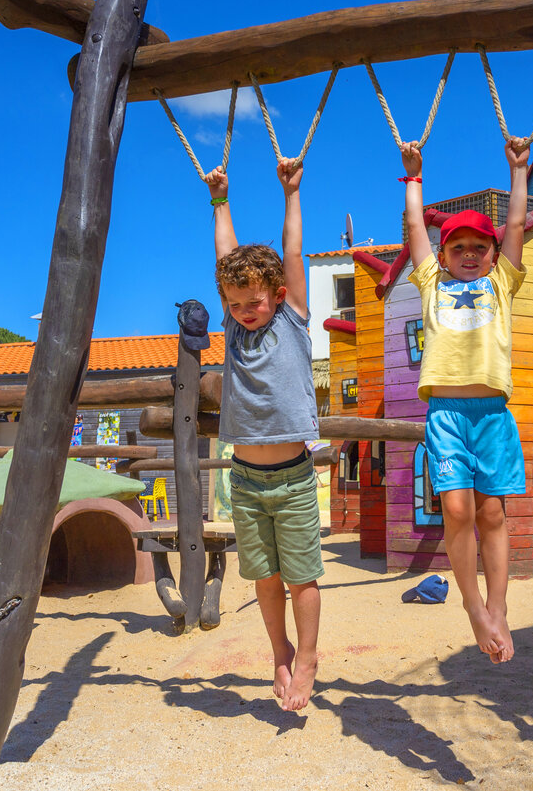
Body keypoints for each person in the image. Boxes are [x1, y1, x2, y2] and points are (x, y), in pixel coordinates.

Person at [401, 136, 529, 664]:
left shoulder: (502, 284)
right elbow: (415, 231)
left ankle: (498, 607)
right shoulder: (431, 283)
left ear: (494, 254)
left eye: (479, 247)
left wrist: (518, 171)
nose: (470, 255)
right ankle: (474, 607)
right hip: (447, 414)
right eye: (459, 248)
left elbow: (518, 226)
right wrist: (413, 178)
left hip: (492, 414)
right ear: (445, 256)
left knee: (493, 514)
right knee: (456, 508)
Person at [205, 158, 322, 711]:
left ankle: (309, 657)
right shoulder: (232, 327)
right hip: (246, 479)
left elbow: (292, 252)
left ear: (276, 293)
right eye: (236, 304)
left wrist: (290, 192)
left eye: (255, 301)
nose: (247, 311)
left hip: (294, 479)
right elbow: (226, 259)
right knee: (266, 578)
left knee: (301, 578)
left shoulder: (292, 317)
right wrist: (220, 200)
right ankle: (279, 651)